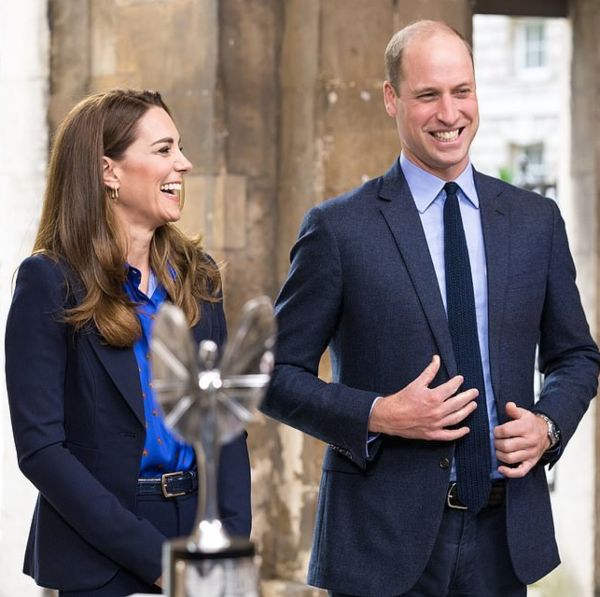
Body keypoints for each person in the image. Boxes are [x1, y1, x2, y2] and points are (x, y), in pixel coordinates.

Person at [261, 20, 600, 597]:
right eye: (427, 95)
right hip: (379, 543)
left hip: (504, 539)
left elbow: (577, 356)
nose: (449, 113)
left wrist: (547, 425)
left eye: (461, 91)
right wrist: (377, 414)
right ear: (392, 99)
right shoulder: (339, 228)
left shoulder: (534, 221)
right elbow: (270, 376)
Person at [5, 89, 251, 597]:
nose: (183, 163)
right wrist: (155, 561)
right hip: (96, 556)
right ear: (108, 171)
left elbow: (224, 427)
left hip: (199, 540)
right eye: (163, 150)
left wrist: (225, 544)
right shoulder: (48, 281)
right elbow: (41, 451)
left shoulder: (198, 277)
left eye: (178, 148)